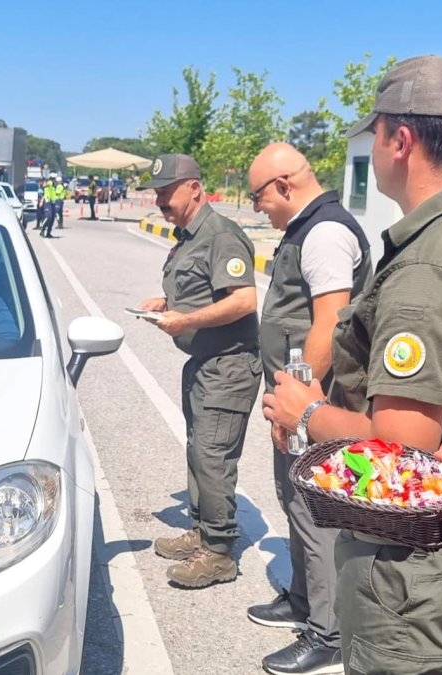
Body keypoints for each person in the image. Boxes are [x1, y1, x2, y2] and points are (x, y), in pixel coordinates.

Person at [261, 56, 442, 672]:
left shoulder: (434, 263)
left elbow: (400, 445)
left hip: (413, 573)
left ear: (401, 141)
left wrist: (306, 412)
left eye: (377, 132)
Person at [246, 142, 373, 675]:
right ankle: (302, 599)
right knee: (292, 498)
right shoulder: (304, 229)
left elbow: (328, 326)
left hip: (315, 400)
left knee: (315, 511)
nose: (258, 209)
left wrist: (298, 405)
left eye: (258, 197)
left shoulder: (324, 233)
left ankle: (328, 632)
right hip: (296, 397)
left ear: (283, 185)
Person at [136, 153, 261, 589]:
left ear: (194, 188)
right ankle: (203, 530)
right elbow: (202, 290)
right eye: (157, 193)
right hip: (205, 364)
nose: (160, 201)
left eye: (167, 192)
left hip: (229, 365)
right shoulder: (190, 236)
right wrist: (166, 303)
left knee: (213, 457)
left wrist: (185, 320)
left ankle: (219, 552)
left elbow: (243, 300)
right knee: (198, 452)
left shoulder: (220, 235)